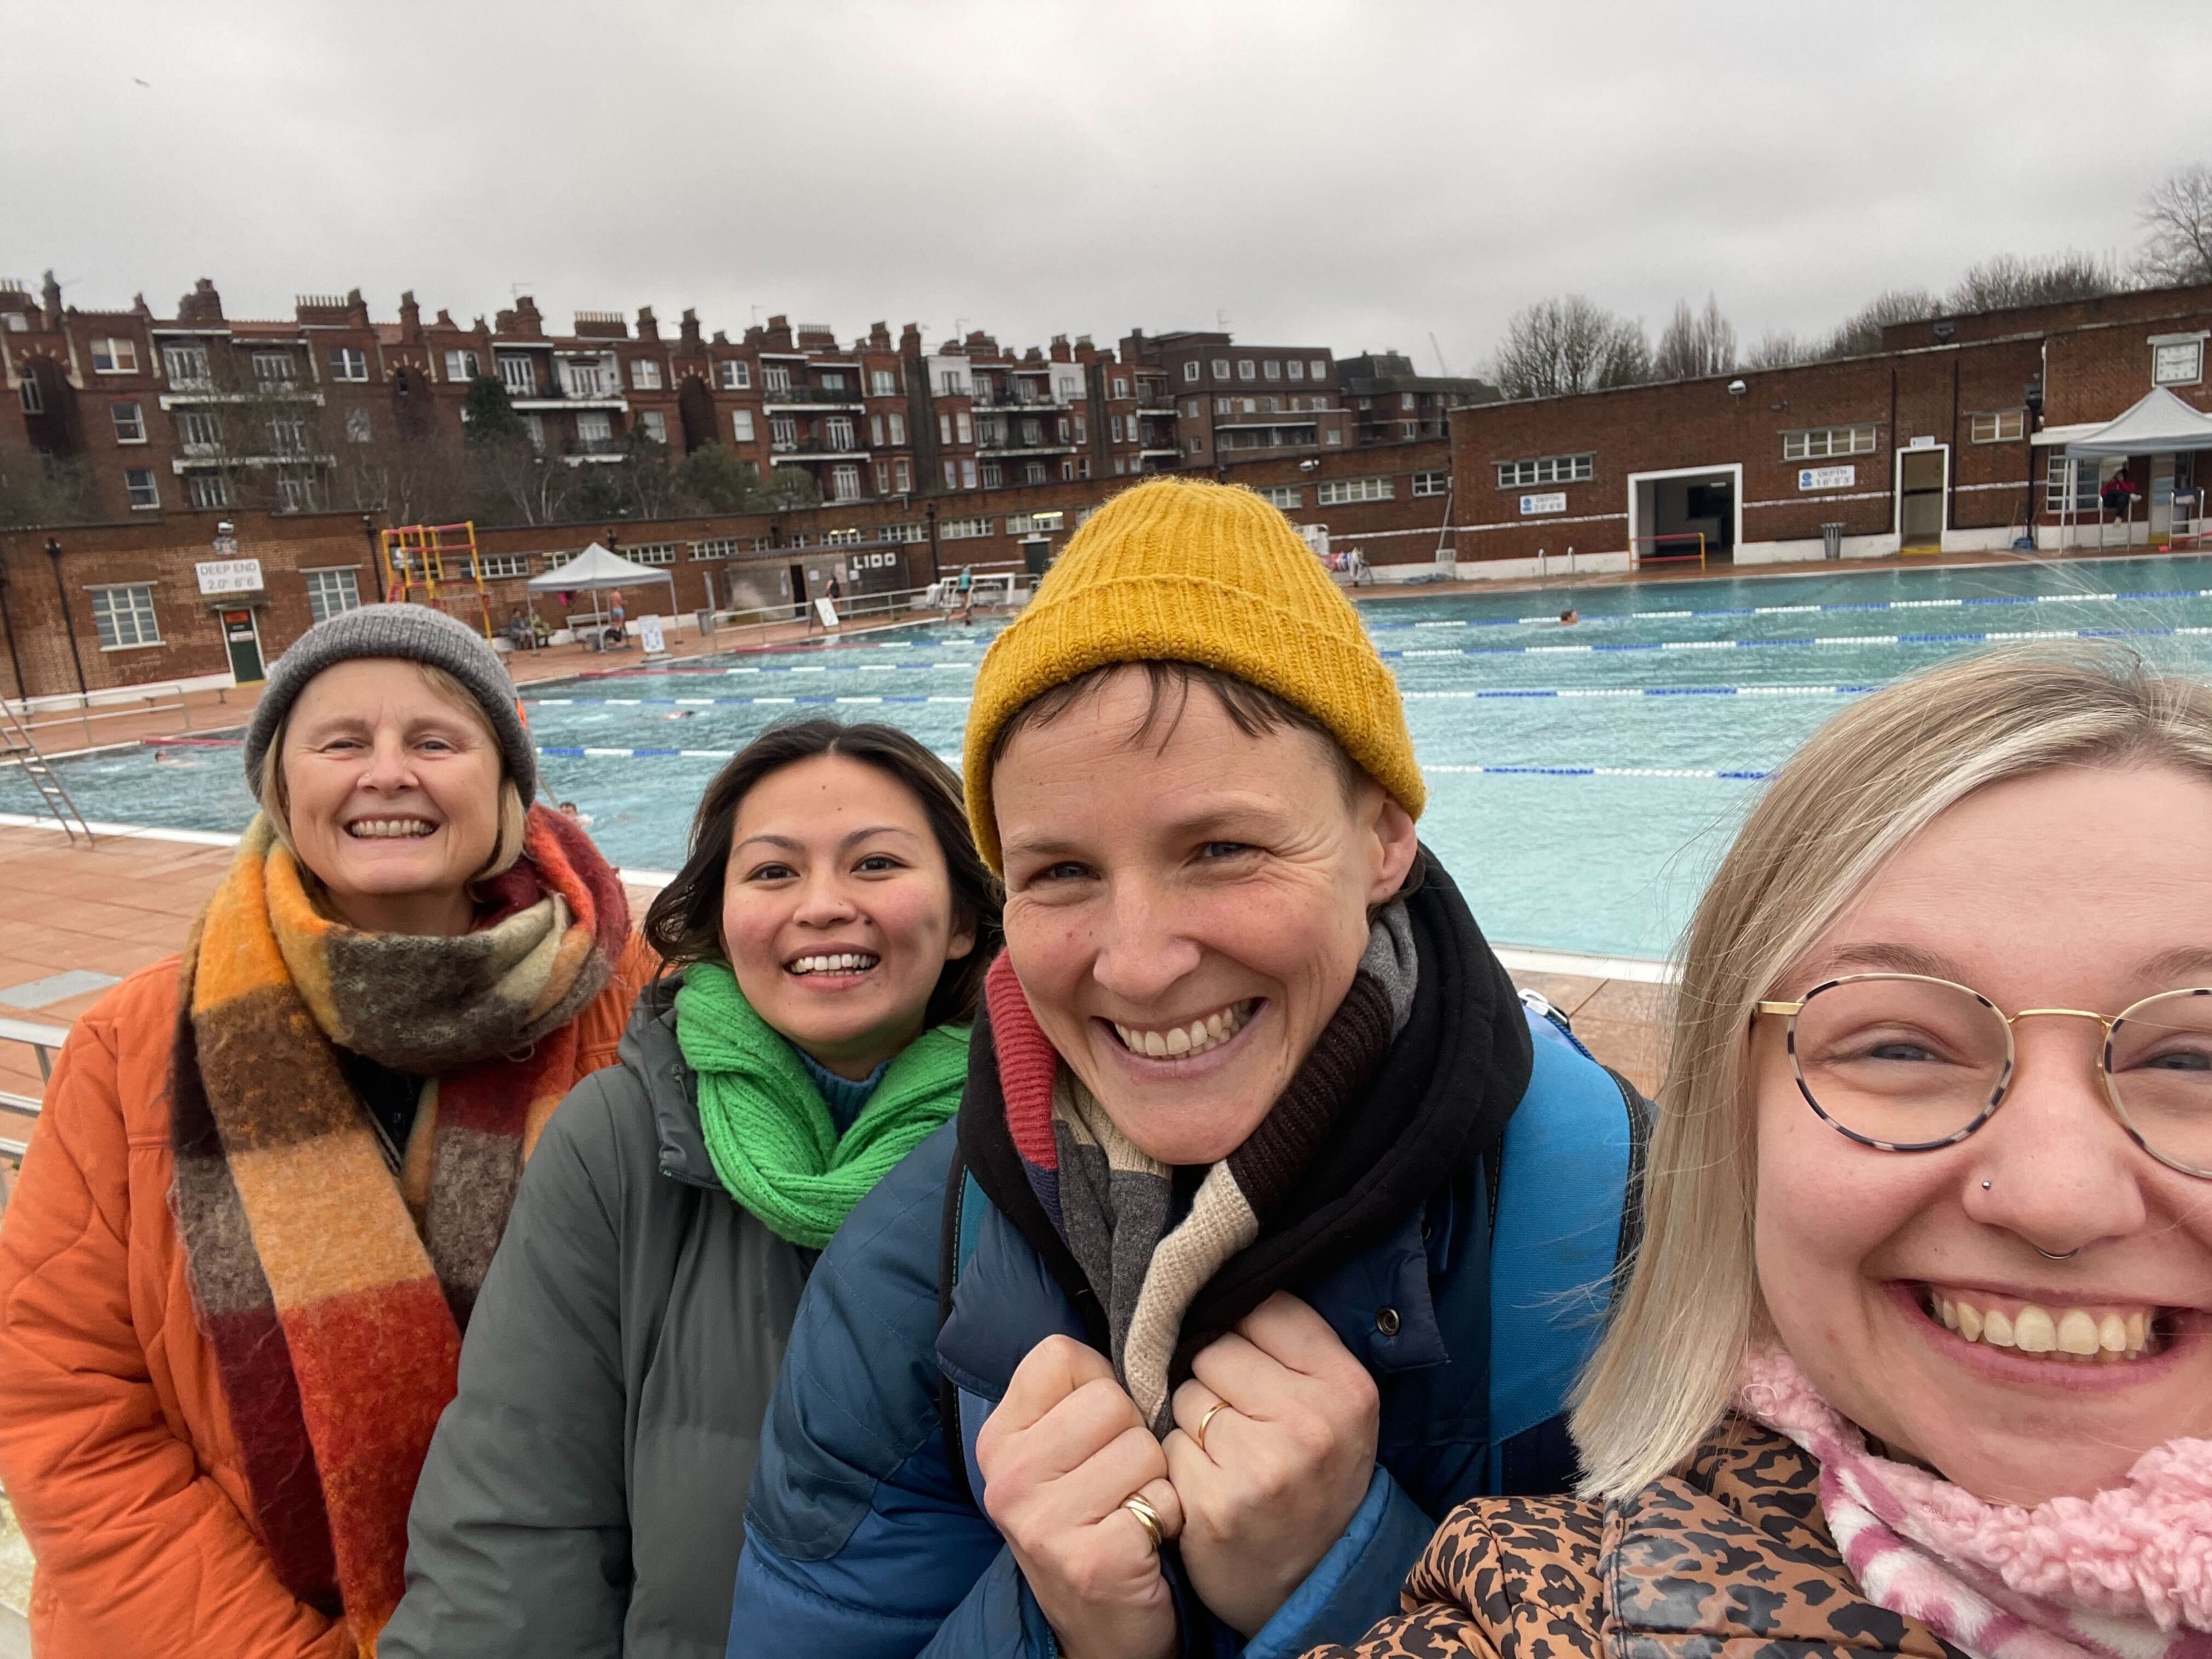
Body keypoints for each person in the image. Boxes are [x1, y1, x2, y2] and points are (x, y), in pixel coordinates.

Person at [731, 479, 1645, 1657]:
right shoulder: (914, 1267)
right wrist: (1064, 1626)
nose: (1143, 963)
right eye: (1059, 873)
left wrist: (1347, 1581)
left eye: (1221, 848)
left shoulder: (1622, 1224)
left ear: (1383, 836)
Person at [1314, 645, 2212, 1659]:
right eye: (1900, 1046)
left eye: (2194, 1060)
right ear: (1735, 1133)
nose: (2056, 1196)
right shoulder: (1553, 1613)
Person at [0, 604, 652, 1659]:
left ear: (503, 786)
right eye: (341, 742)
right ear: (282, 785)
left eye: (435, 741)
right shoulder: (129, 1048)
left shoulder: (643, 1005)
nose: (386, 773)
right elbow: (67, 1413)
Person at [383, 721, 1001, 1658]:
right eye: (773, 872)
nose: (824, 905)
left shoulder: (1040, 1150)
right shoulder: (617, 1143)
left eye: (876, 864)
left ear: (963, 918)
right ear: (719, 921)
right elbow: (514, 1525)